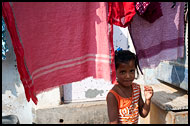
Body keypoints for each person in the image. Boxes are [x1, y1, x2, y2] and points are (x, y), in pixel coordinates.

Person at [106, 49, 154, 124]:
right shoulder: (112, 96)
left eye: (131, 71)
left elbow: (143, 114)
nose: (128, 76)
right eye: (123, 72)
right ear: (115, 72)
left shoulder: (136, 89)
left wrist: (148, 100)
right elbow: (113, 122)